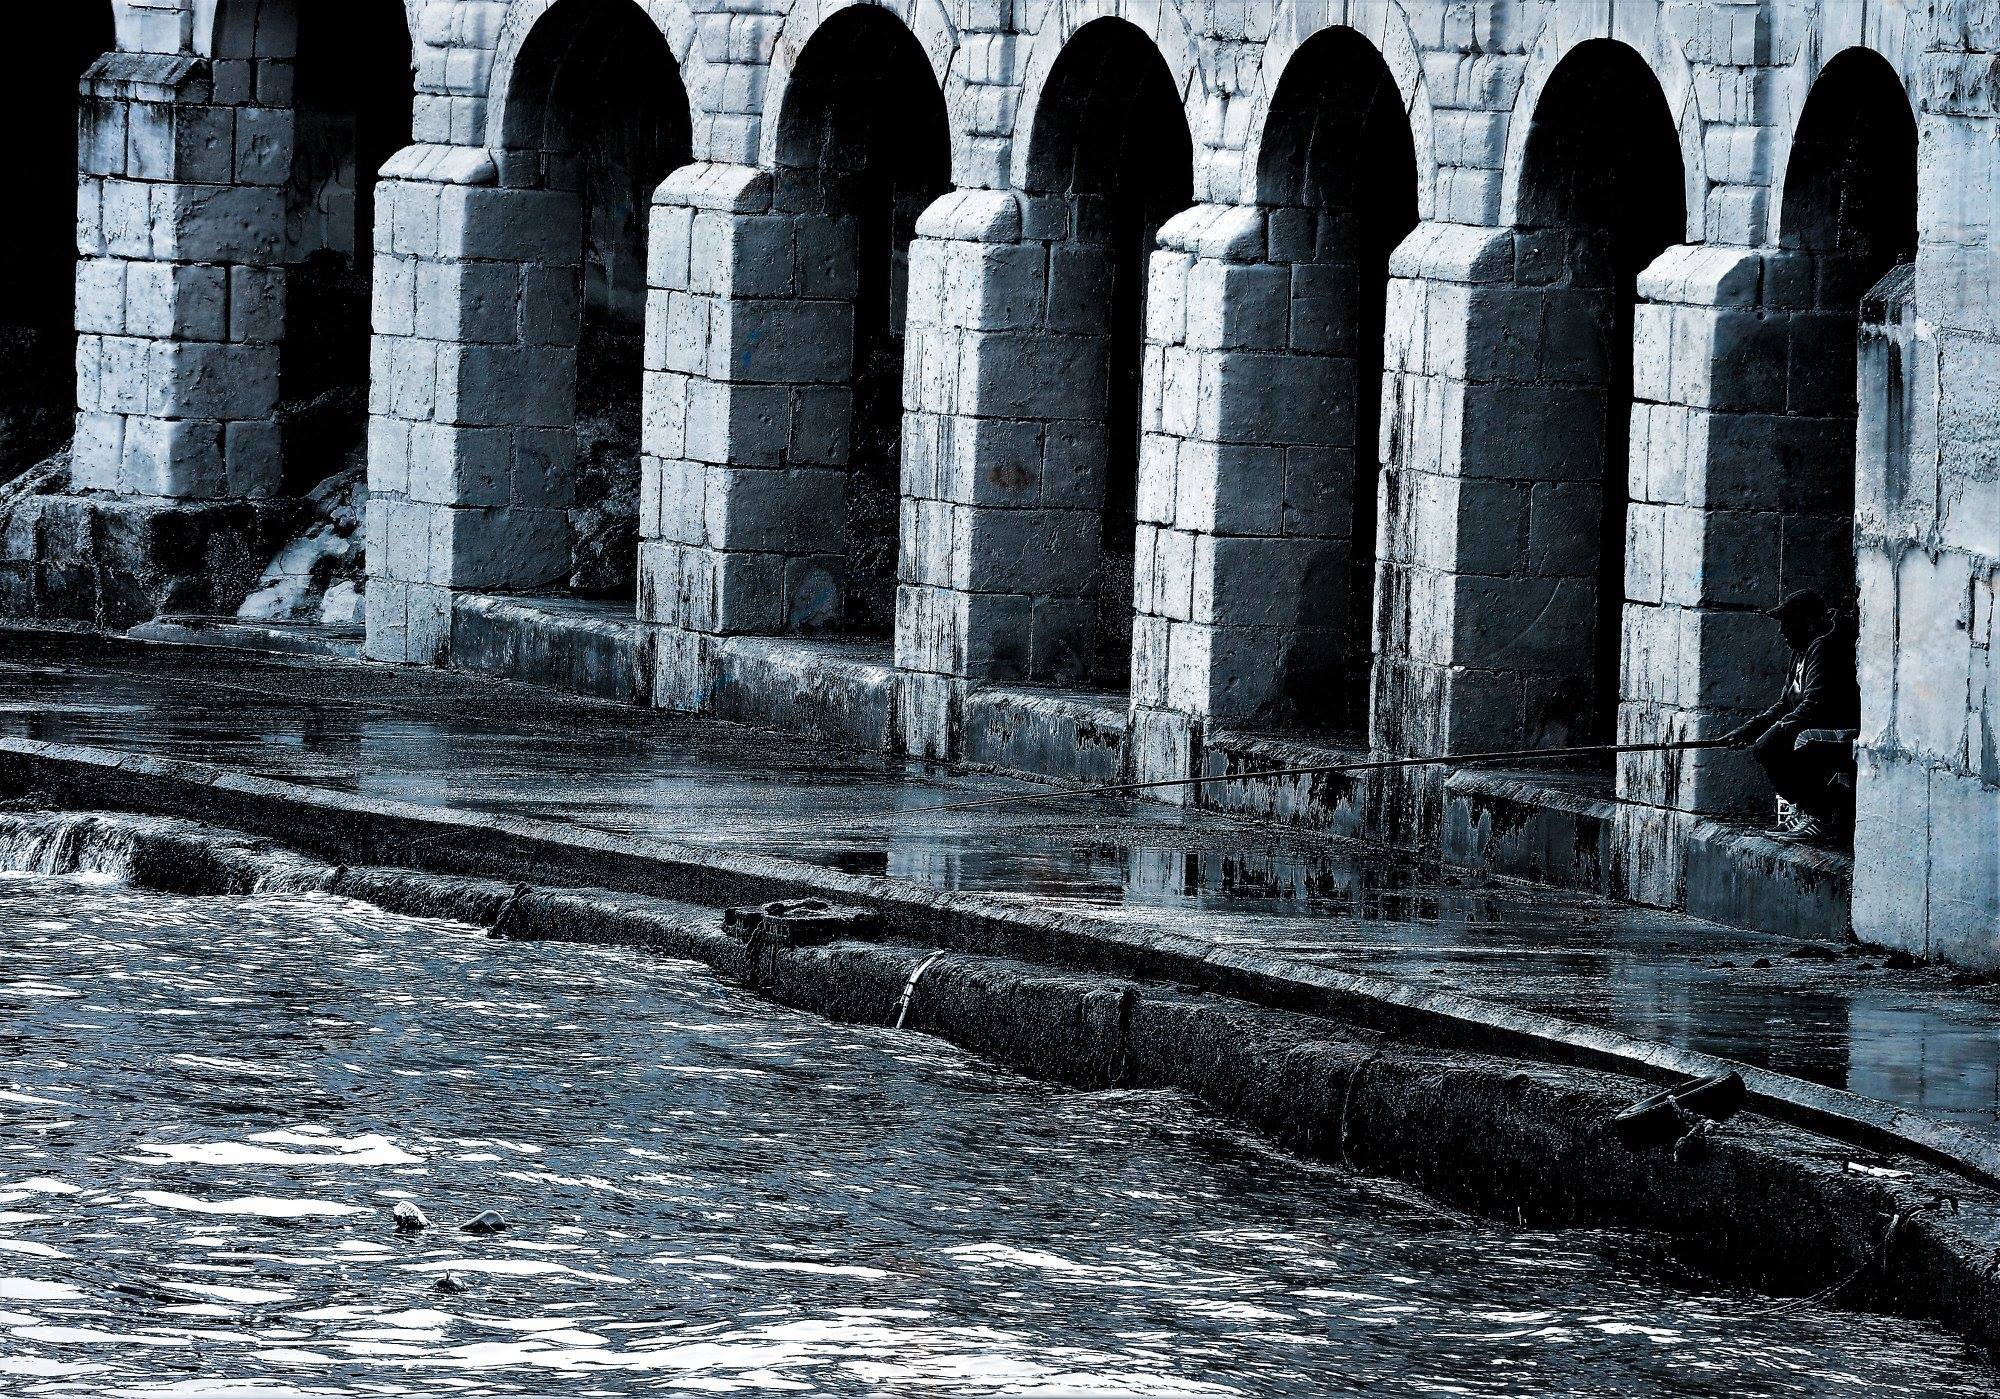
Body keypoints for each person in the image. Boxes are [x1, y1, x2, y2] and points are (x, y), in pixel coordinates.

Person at [1723, 588, 1860, 843]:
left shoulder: (1823, 647)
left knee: (1774, 745)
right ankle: (1809, 810)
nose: (1782, 631)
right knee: (1767, 743)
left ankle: (1822, 817)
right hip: (1811, 725)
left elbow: (1814, 705)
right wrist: (1747, 730)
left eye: (1787, 623)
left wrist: (1777, 730)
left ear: (1808, 624)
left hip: (1838, 731)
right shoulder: (1800, 652)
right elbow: (1784, 703)